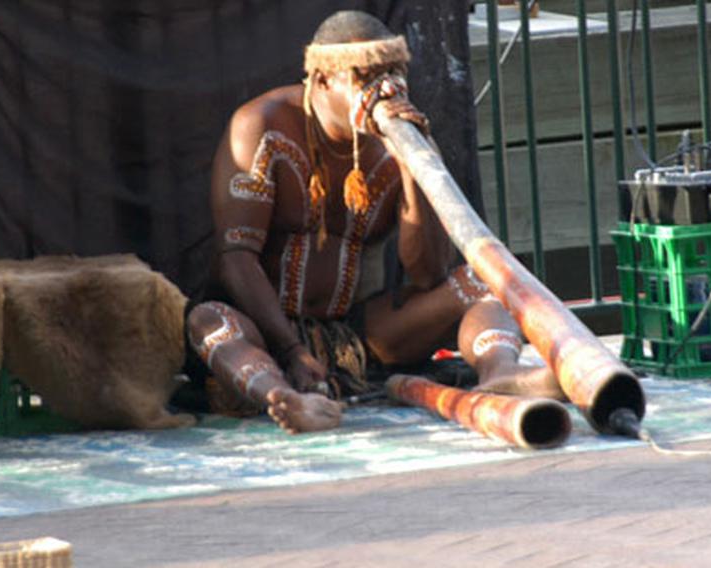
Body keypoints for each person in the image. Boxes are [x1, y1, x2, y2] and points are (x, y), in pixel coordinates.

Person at [186, 10, 563, 434]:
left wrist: (412, 166)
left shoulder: (396, 143)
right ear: (323, 80)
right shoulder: (263, 126)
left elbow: (427, 274)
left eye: (393, 73)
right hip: (268, 338)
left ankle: (499, 376)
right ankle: (285, 399)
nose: (384, 90)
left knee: (485, 280)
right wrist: (291, 350)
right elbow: (236, 259)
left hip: (356, 339)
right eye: (365, 76)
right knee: (208, 320)